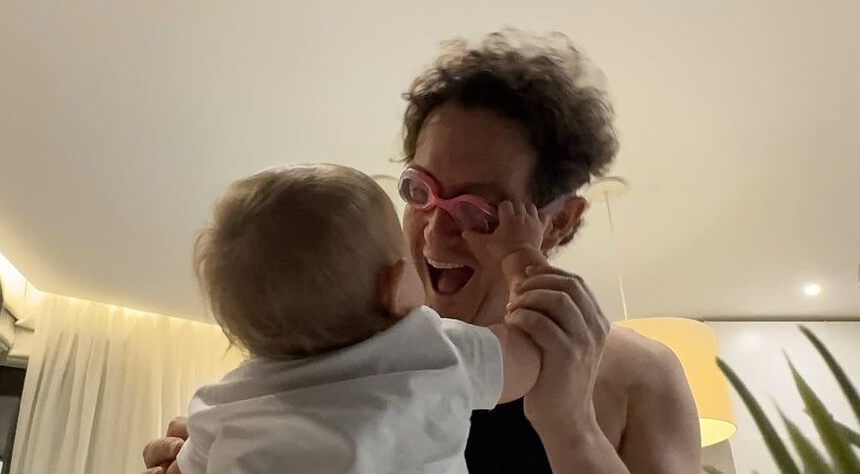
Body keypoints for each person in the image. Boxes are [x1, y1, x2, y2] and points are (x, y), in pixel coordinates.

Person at [142, 31, 701, 474]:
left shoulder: (639, 374)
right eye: (420, 191)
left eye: (481, 210)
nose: (435, 236)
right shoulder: (327, 345)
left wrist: (571, 426)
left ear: (557, 222)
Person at [174, 163, 547, 473]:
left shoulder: (222, 403)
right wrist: (520, 255)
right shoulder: (433, 349)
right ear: (397, 287)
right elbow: (531, 352)